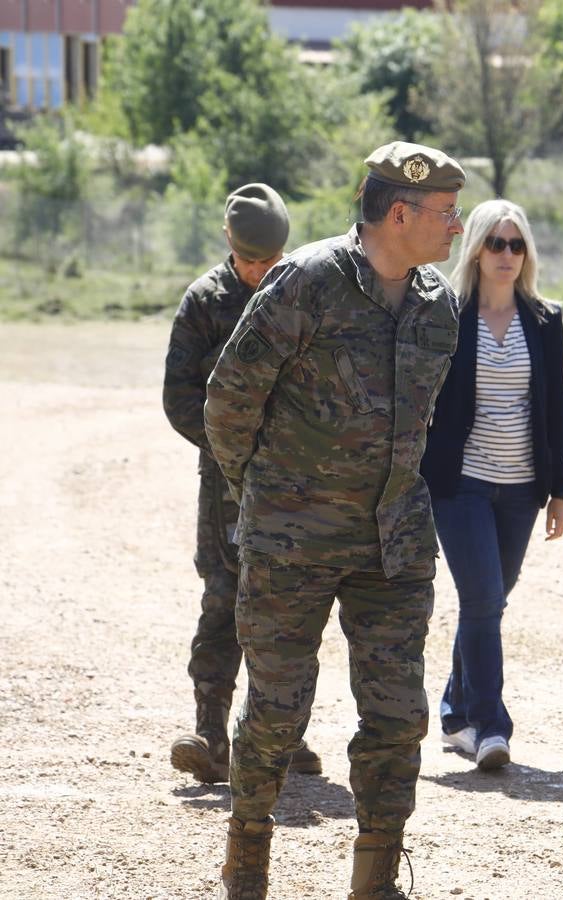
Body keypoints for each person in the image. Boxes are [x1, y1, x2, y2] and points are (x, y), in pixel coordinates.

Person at [204, 141, 465, 900]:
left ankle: (377, 873)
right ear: (397, 212)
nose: (456, 228)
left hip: (394, 545)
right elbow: (229, 399)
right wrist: (260, 495)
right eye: (444, 215)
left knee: (397, 716)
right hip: (293, 539)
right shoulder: (307, 282)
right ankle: (248, 854)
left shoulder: (437, 305)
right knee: (279, 710)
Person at [163, 184, 324, 785]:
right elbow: (180, 398)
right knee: (225, 599)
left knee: (293, 606)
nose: (261, 272)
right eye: (252, 261)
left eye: (271, 261)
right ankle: (210, 731)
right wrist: (234, 447)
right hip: (227, 483)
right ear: (230, 244)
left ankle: (286, 731)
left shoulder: (305, 293)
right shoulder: (205, 302)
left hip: (298, 483)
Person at [421, 199, 563, 770]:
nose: (507, 254)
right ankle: (490, 724)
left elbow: (554, 406)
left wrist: (560, 490)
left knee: (489, 601)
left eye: (517, 244)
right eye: (496, 243)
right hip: (460, 485)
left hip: (522, 489)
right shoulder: (448, 315)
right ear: (477, 249)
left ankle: (457, 713)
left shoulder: (545, 319)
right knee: (482, 598)